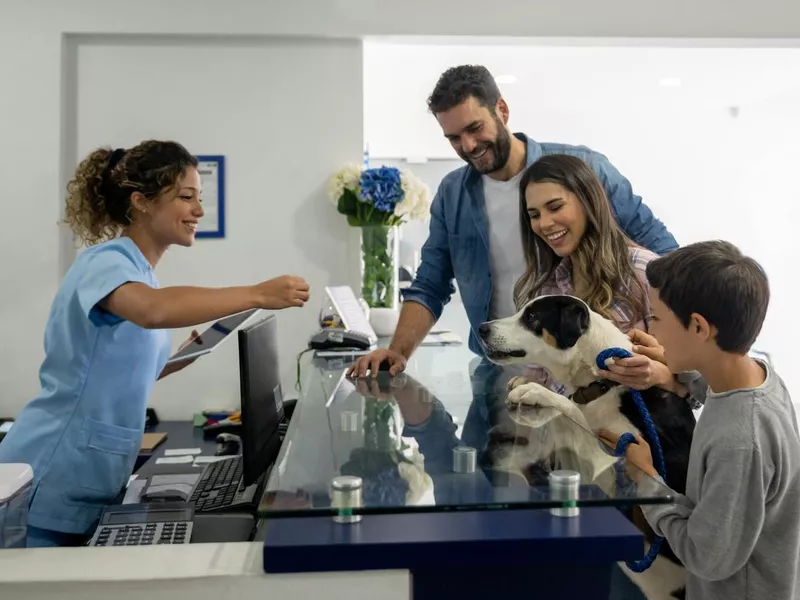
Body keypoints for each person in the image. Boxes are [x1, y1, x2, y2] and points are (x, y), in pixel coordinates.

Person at [0, 140, 310, 547]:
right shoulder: (105, 262)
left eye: (200, 198)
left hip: (89, 476)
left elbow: (130, 362)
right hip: (47, 474)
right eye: (186, 197)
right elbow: (152, 311)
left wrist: (185, 353)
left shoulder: (140, 275)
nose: (199, 211)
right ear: (141, 202)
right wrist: (256, 293)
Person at [348, 64, 677, 379]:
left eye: (474, 128)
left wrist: (667, 363)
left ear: (501, 110)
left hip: (591, 371)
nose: (468, 146)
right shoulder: (452, 194)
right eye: (454, 138)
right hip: (499, 370)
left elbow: (664, 255)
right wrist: (398, 352)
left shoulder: (584, 167)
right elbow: (431, 283)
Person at [599, 241, 800, 600]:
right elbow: (725, 396)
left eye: (657, 318)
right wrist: (675, 372)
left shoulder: (739, 442)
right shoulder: (761, 378)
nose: (654, 331)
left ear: (698, 327)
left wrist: (646, 479)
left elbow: (705, 557)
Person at [511, 153, 683, 395]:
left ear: (588, 201)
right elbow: (539, 377)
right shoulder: (545, 288)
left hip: (639, 429)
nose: (545, 223)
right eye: (534, 215)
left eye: (555, 207)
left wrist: (659, 374)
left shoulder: (644, 271)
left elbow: (693, 378)